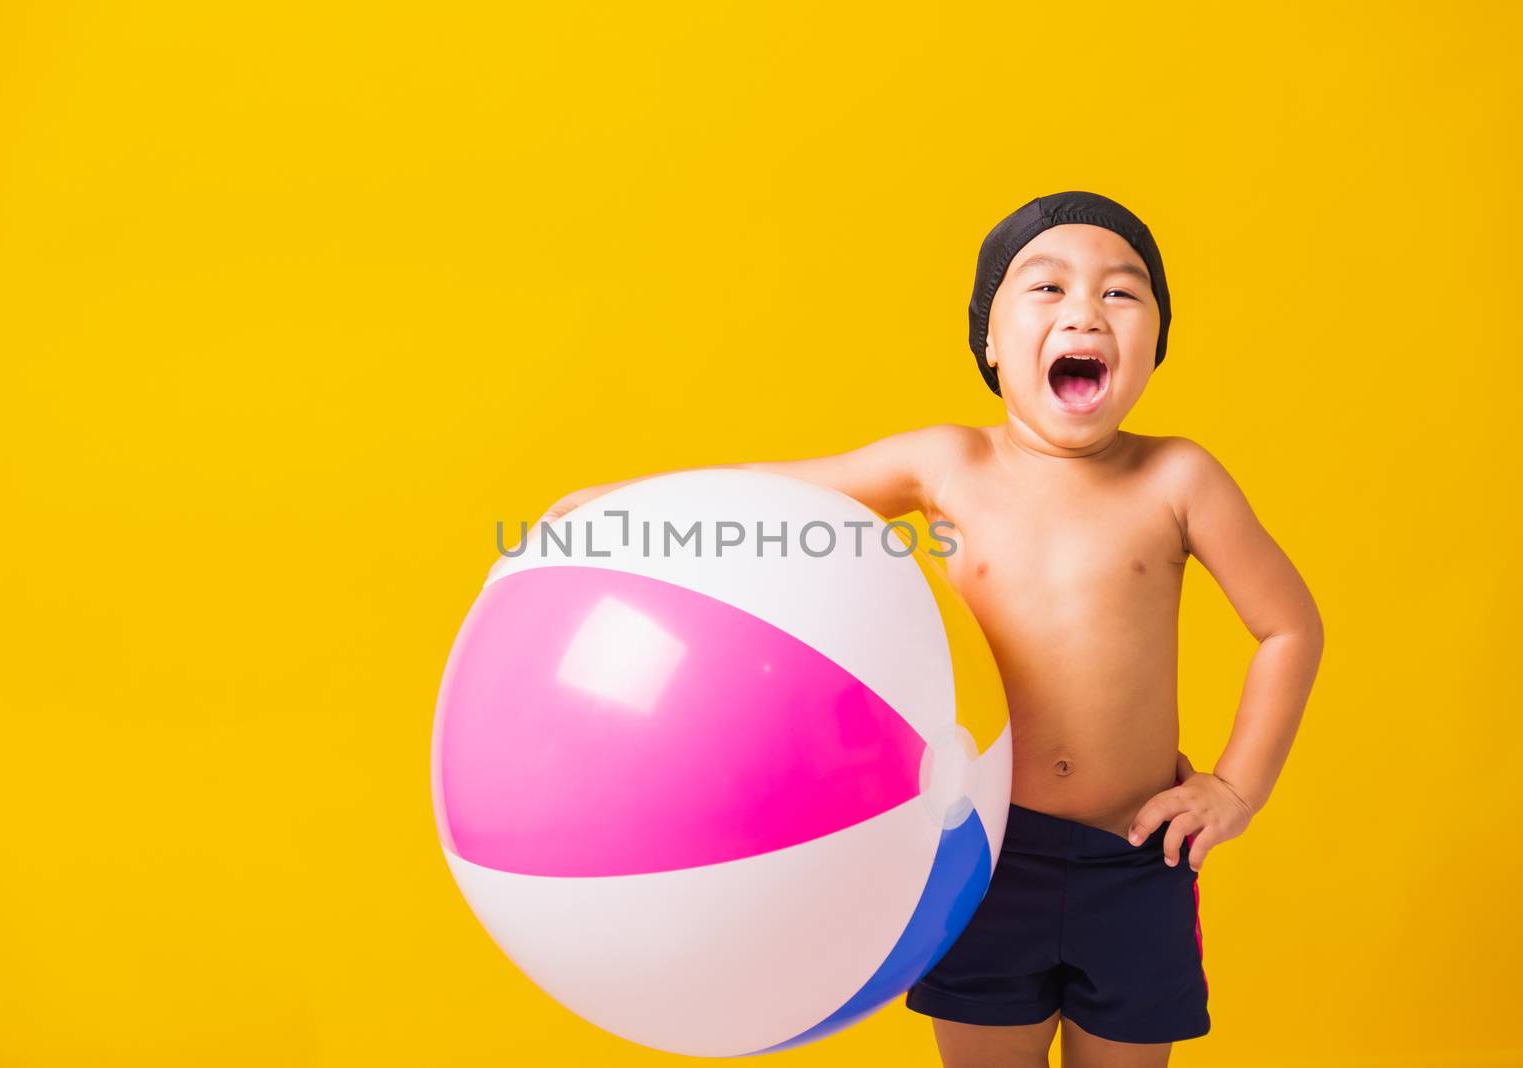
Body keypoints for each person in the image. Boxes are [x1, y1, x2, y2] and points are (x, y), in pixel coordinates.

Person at [510, 190, 1324, 1067]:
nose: (1086, 309)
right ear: (988, 340)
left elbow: (1288, 628)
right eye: (1047, 289)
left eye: (1121, 293)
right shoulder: (949, 464)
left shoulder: (1179, 478)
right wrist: (627, 509)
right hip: (984, 857)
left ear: (1155, 343)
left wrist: (1235, 790)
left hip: (1134, 856)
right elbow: (779, 499)